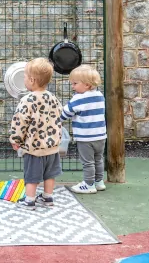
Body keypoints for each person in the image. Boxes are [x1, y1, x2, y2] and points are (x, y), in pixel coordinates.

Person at [9, 57, 63, 209]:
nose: (24, 79)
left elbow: (20, 122)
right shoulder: (52, 98)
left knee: (31, 175)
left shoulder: (28, 100)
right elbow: (60, 115)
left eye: (25, 76)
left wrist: (16, 140)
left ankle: (29, 200)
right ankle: (47, 197)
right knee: (50, 174)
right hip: (52, 146)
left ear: (32, 80)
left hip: (34, 148)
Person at [60, 65, 107, 194]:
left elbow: (65, 113)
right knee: (98, 159)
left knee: (88, 162)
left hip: (86, 138)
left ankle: (88, 184)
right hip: (101, 136)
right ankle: (99, 182)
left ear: (86, 85)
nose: (73, 86)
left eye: (75, 83)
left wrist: (57, 120)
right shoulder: (99, 95)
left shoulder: (78, 98)